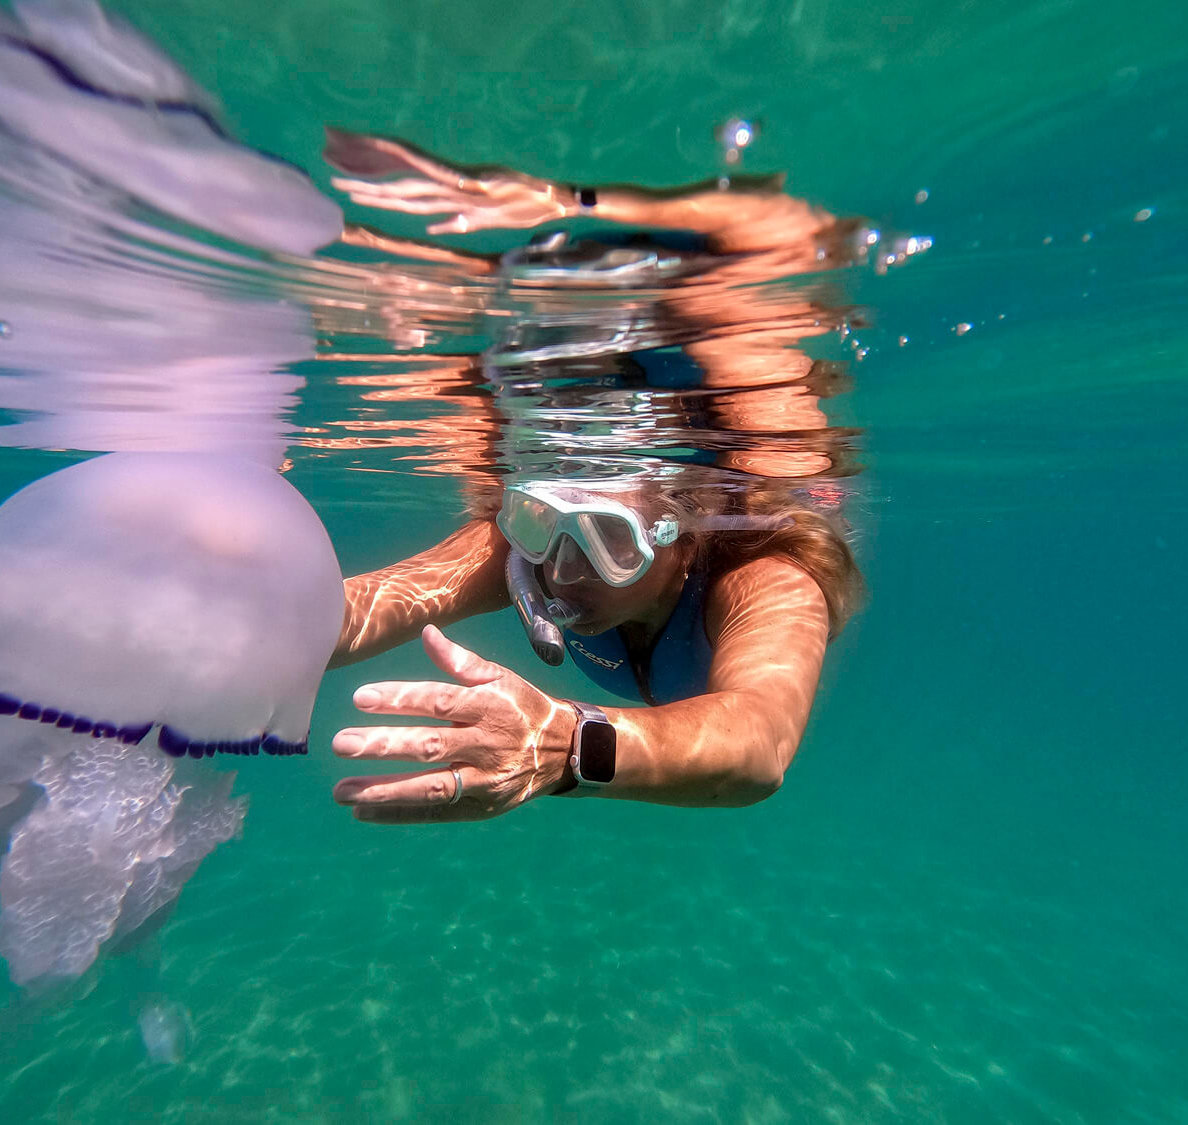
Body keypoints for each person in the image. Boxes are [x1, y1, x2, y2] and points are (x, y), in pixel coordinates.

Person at [320, 132, 868, 823]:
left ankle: (582, 198)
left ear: (681, 527)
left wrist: (566, 747)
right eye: (540, 525)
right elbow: (352, 612)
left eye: (609, 537)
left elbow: (759, 744)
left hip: (706, 273)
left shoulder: (766, 574)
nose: (563, 571)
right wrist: (211, 643)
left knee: (751, 232)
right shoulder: (531, 554)